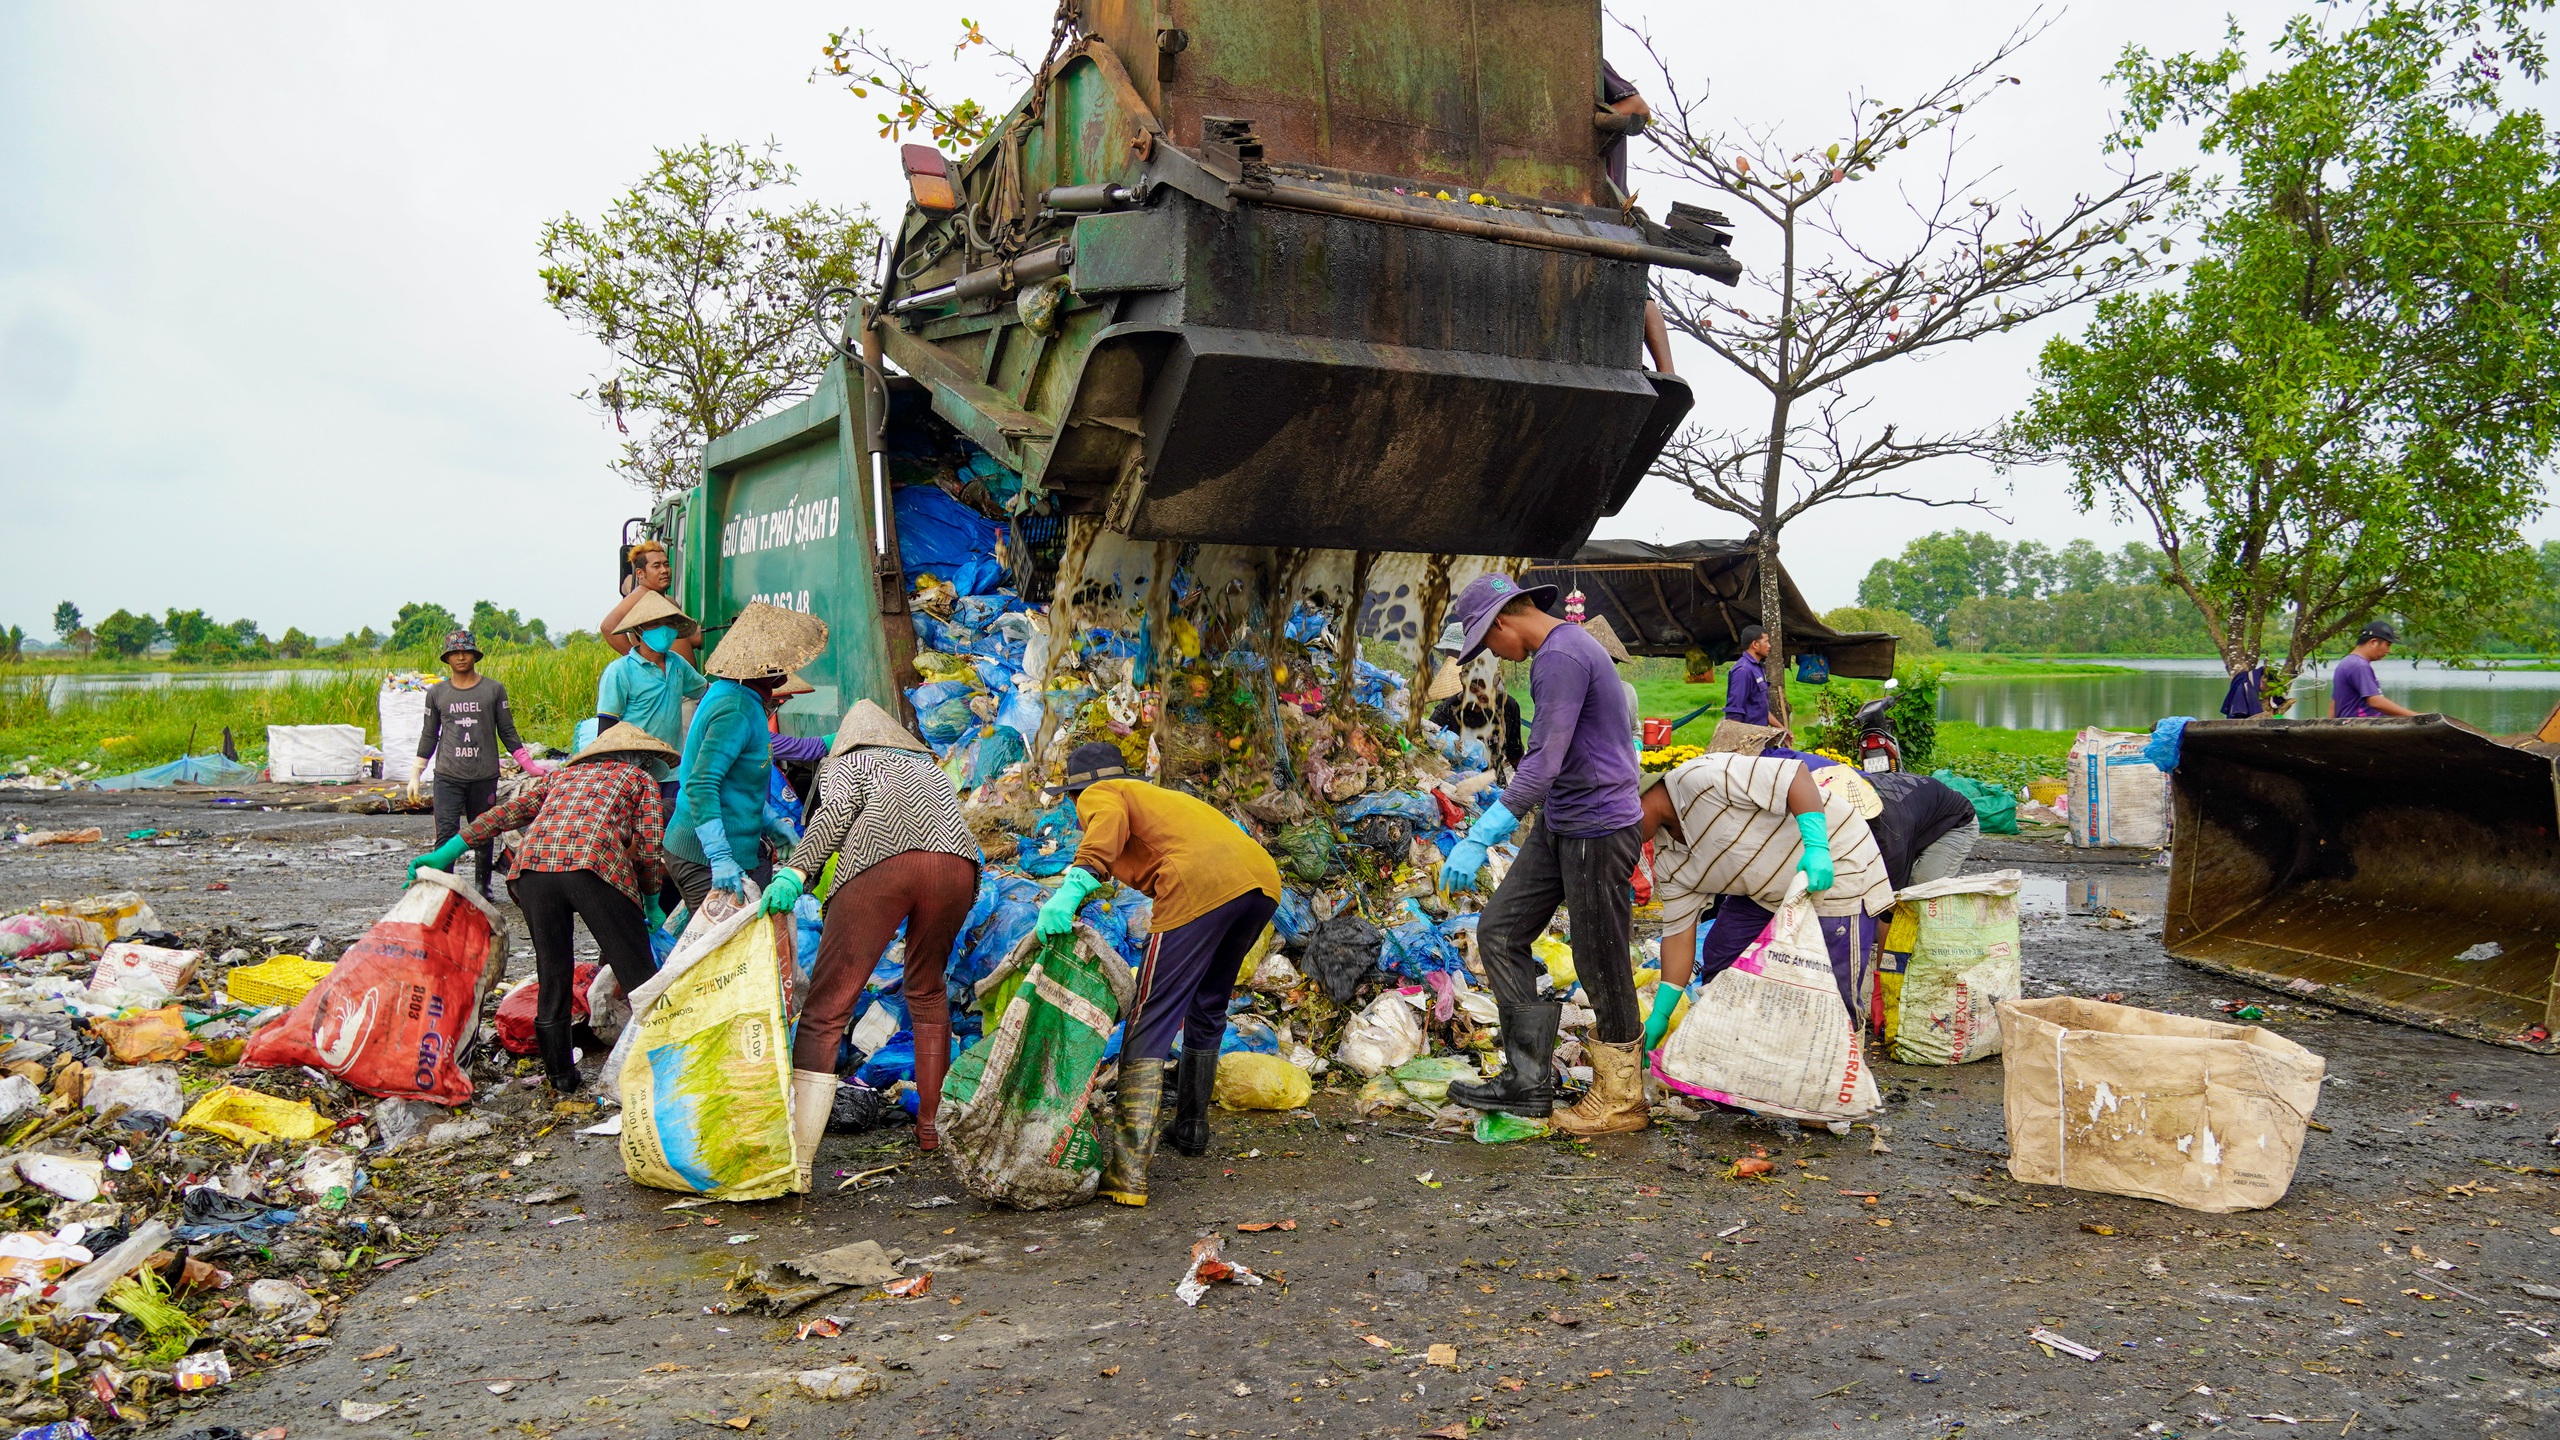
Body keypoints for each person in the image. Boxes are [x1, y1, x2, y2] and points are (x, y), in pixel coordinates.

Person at [1436, 574, 1647, 1137]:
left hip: (1598, 826)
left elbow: (1543, 761)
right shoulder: (1558, 652)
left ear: (1504, 620)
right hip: (1562, 819)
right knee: (1500, 931)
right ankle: (1527, 1080)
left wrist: (1481, 835)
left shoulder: (1561, 656)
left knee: (1600, 958)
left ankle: (1622, 1099)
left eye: (1488, 641)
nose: (1492, 653)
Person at [1038, 742, 1281, 1207]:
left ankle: (1127, 1172)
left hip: (1197, 883)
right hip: (1261, 883)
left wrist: (1071, 888)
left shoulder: (1102, 793)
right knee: (1208, 1002)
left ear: (1078, 791)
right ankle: (1191, 1128)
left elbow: (1105, 824)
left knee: (1151, 1011)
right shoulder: (1160, 800)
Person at [759, 701, 980, 1180]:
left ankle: (797, 1153)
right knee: (928, 991)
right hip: (956, 868)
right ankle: (931, 1130)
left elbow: (836, 812)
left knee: (827, 1008)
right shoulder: (927, 767)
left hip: (884, 861)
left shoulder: (849, 761)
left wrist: (798, 870)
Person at [407, 722, 673, 1092]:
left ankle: (561, 1077)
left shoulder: (561, 777)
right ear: (642, 760)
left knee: (553, 973)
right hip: (591, 867)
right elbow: (650, 845)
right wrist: (653, 901)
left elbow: (502, 816)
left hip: (533, 871)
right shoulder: (639, 779)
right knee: (638, 976)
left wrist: (446, 853)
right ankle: (666, 1068)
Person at [1635, 751, 1896, 1053]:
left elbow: (1795, 777)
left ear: (1634, 802)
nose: (1625, 842)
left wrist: (1816, 847)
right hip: (1767, 891)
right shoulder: (1669, 861)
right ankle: (1744, 1056)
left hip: (1835, 861)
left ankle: (1834, 1067)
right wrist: (1661, 1014)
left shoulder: (1702, 778)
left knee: (1828, 994)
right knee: (1723, 956)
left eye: (1619, 829)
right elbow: (1678, 936)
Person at [663, 602, 829, 910]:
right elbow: (701, 784)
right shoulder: (735, 709)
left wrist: (772, 823)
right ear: (769, 666)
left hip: (725, 849)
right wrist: (719, 857)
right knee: (725, 940)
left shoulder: (740, 696)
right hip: (702, 857)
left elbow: (735, 786)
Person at [409, 629, 551, 899]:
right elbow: (429, 734)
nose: (461, 657)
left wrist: (529, 766)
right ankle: (445, 888)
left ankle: (482, 888)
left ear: (475, 655)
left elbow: (507, 731)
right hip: (448, 775)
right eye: (455, 653)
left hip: (484, 775)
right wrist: (416, 773)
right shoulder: (437, 693)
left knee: (484, 832)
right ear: (447, 658)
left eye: (466, 652)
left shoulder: (493, 689)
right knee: (446, 833)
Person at [594, 591, 707, 807]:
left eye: (669, 624)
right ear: (639, 629)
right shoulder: (620, 671)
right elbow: (606, 729)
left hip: (673, 769)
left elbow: (704, 691)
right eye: (655, 624)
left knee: (671, 820)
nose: (663, 630)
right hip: (635, 771)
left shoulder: (678, 664)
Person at [1865, 770, 1981, 890]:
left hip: (1955, 822)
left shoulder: (1889, 836)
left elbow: (1889, 893)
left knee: (1919, 891)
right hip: (1918, 810)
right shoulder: (1855, 787)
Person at [602, 539, 697, 662]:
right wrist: (639, 662)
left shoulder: (668, 601)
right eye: (656, 566)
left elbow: (682, 639)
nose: (664, 570)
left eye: (666, 564)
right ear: (640, 573)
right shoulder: (640, 596)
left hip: (677, 672)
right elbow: (608, 626)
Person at [2332, 622, 2417, 718]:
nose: (2389, 651)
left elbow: (2334, 702)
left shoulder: (2346, 662)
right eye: (2388, 645)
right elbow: (2375, 701)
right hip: (2360, 725)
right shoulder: (2359, 665)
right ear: (2373, 642)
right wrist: (2416, 716)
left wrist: (2331, 725)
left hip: (2349, 724)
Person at [1725, 624, 1773, 726]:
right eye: (1766, 642)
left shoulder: (1757, 667)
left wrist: (1784, 729)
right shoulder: (1743, 670)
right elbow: (1734, 713)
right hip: (1748, 734)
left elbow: (1761, 710)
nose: (1769, 646)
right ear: (1755, 644)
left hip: (1759, 731)